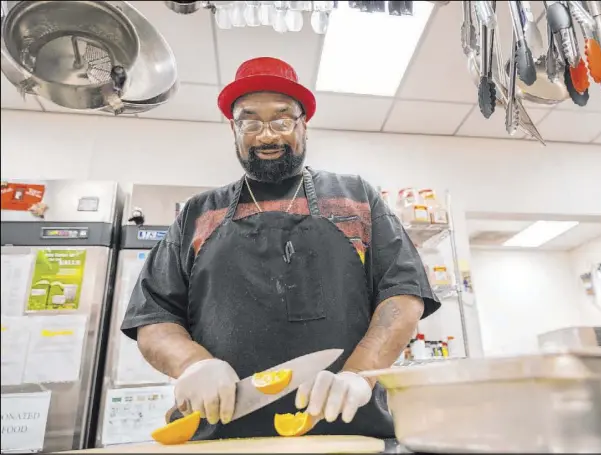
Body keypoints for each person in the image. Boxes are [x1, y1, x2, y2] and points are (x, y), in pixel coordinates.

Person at [121, 57, 441, 440]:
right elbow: (153, 316)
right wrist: (192, 364)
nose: (267, 135)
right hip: (220, 437)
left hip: (349, 429)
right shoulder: (197, 213)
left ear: (304, 125)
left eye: (283, 119)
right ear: (233, 129)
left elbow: (402, 294)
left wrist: (359, 373)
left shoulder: (356, 196)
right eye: (250, 121)